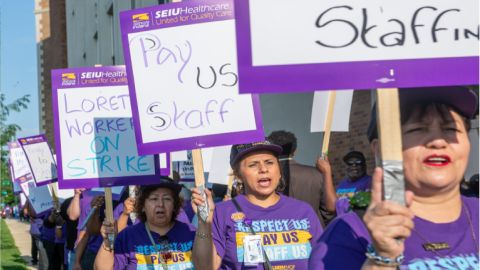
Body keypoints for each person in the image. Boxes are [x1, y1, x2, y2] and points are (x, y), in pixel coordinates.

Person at [312, 86, 479, 269]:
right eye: (418, 129)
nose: (438, 141)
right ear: (380, 149)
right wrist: (381, 259)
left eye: (449, 128)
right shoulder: (349, 233)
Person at [191, 140, 324, 269]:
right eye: (253, 164)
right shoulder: (222, 212)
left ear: (279, 170)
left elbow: (322, 261)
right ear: (238, 175)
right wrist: (204, 224)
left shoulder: (303, 211)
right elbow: (205, 267)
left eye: (269, 162)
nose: (263, 169)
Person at [94, 177, 196, 269]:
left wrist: (204, 221)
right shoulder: (128, 236)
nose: (160, 204)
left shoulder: (191, 232)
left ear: (174, 206)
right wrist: (107, 242)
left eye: (167, 199)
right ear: (142, 206)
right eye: (154, 199)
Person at [268, 130, 336, 227]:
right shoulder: (317, 174)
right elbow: (328, 212)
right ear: (295, 151)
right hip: (312, 231)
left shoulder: (265, 178)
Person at [334, 150, 372, 215]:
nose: (354, 166)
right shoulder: (341, 184)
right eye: (350, 163)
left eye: (358, 163)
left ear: (364, 166)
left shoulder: (370, 182)